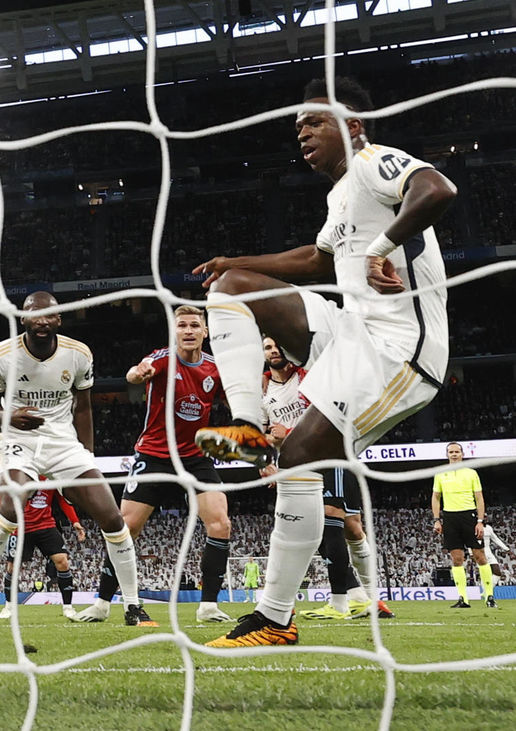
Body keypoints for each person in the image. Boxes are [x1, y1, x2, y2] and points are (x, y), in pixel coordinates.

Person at [194, 77, 455, 647]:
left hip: (399, 348)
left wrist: (382, 250)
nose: (302, 134)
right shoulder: (340, 195)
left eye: (313, 123)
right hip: (353, 331)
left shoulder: (373, 162)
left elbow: (436, 189)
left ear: (353, 126)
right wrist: (235, 259)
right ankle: (247, 423)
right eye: (298, 129)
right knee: (233, 287)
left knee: (301, 455)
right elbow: (318, 260)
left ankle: (273, 618)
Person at [0, 292, 149, 627]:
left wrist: (87, 457)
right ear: (23, 318)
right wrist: (9, 416)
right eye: (34, 315)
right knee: (13, 503)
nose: (42, 321)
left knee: (113, 518)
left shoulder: (78, 354)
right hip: (18, 441)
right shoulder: (0, 356)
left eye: (50, 316)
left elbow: (84, 407)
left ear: (60, 319)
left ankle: (133, 606)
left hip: (63, 444)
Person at [80, 305, 232, 625]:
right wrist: (137, 374)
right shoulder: (162, 359)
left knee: (220, 524)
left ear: (205, 332)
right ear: (173, 331)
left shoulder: (214, 369)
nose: (188, 331)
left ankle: (208, 607)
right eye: (182, 326)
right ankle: (102, 603)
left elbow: (231, 398)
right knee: (125, 528)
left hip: (195, 458)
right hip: (155, 455)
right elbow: (135, 372)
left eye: (194, 325)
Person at [258, 336, 390, 620]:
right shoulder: (264, 386)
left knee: (343, 525)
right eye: (268, 347)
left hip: (329, 454)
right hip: (297, 465)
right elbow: (266, 433)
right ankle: (358, 598)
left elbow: (329, 416)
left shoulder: (309, 376)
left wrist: (288, 435)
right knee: (331, 527)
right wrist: (269, 457)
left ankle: (352, 601)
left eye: (278, 345)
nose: (274, 350)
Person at [0, 486, 87, 620]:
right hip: (20, 528)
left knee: (63, 561)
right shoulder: (20, 473)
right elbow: (1, 497)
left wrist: (75, 521)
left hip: (46, 526)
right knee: (12, 568)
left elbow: (62, 500)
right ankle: (8, 607)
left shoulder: (50, 476)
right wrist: (7, 518)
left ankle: (68, 607)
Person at [432, 442, 494, 608]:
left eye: (456, 451)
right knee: (457, 558)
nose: (454, 454)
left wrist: (480, 521)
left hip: (469, 515)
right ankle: (463, 598)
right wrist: (437, 519)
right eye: (451, 452)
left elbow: (479, 498)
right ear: (447, 455)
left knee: (479, 555)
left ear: (462, 454)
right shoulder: (440, 474)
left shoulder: (471, 473)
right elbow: (436, 497)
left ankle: (489, 596)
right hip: (450, 517)